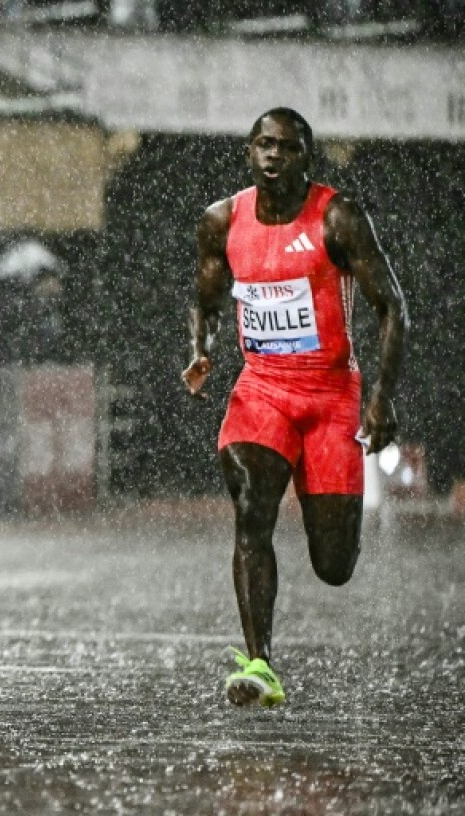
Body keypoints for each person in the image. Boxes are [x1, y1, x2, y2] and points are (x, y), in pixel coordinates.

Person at [182, 108, 407, 707]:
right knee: (251, 504)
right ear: (249, 153)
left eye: (285, 146)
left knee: (333, 564)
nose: (272, 156)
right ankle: (259, 663)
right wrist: (201, 350)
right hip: (262, 390)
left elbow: (394, 308)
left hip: (332, 395)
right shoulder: (222, 221)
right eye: (262, 144)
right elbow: (203, 298)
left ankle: (331, 537)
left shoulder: (338, 218)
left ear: (306, 156)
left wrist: (379, 397)